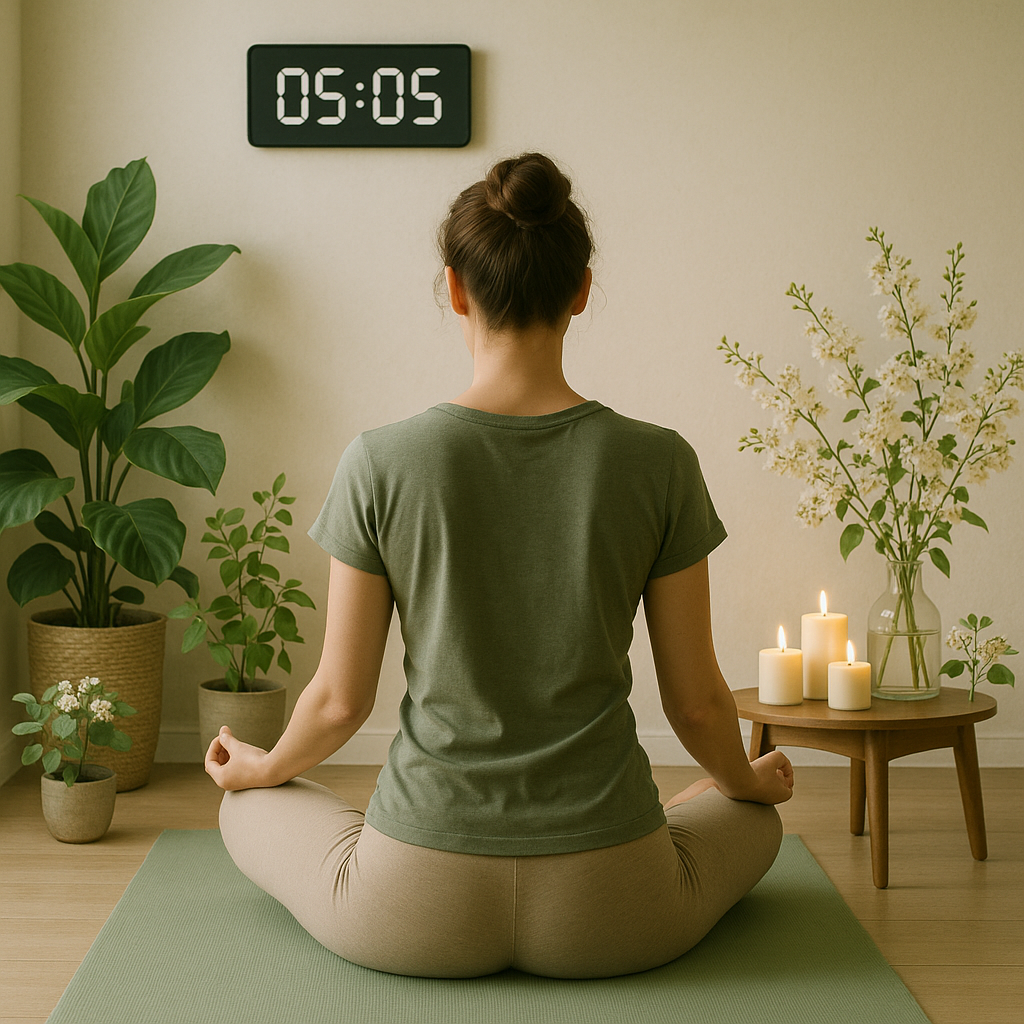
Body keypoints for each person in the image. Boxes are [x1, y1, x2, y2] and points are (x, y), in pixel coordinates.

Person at [208, 152, 794, 980]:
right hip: (616, 907)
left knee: (250, 806)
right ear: (582, 289)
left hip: (413, 907)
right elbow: (698, 707)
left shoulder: (380, 461)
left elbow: (340, 702)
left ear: (454, 288)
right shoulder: (658, 462)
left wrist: (266, 768)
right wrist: (746, 782)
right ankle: (680, 818)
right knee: (755, 816)